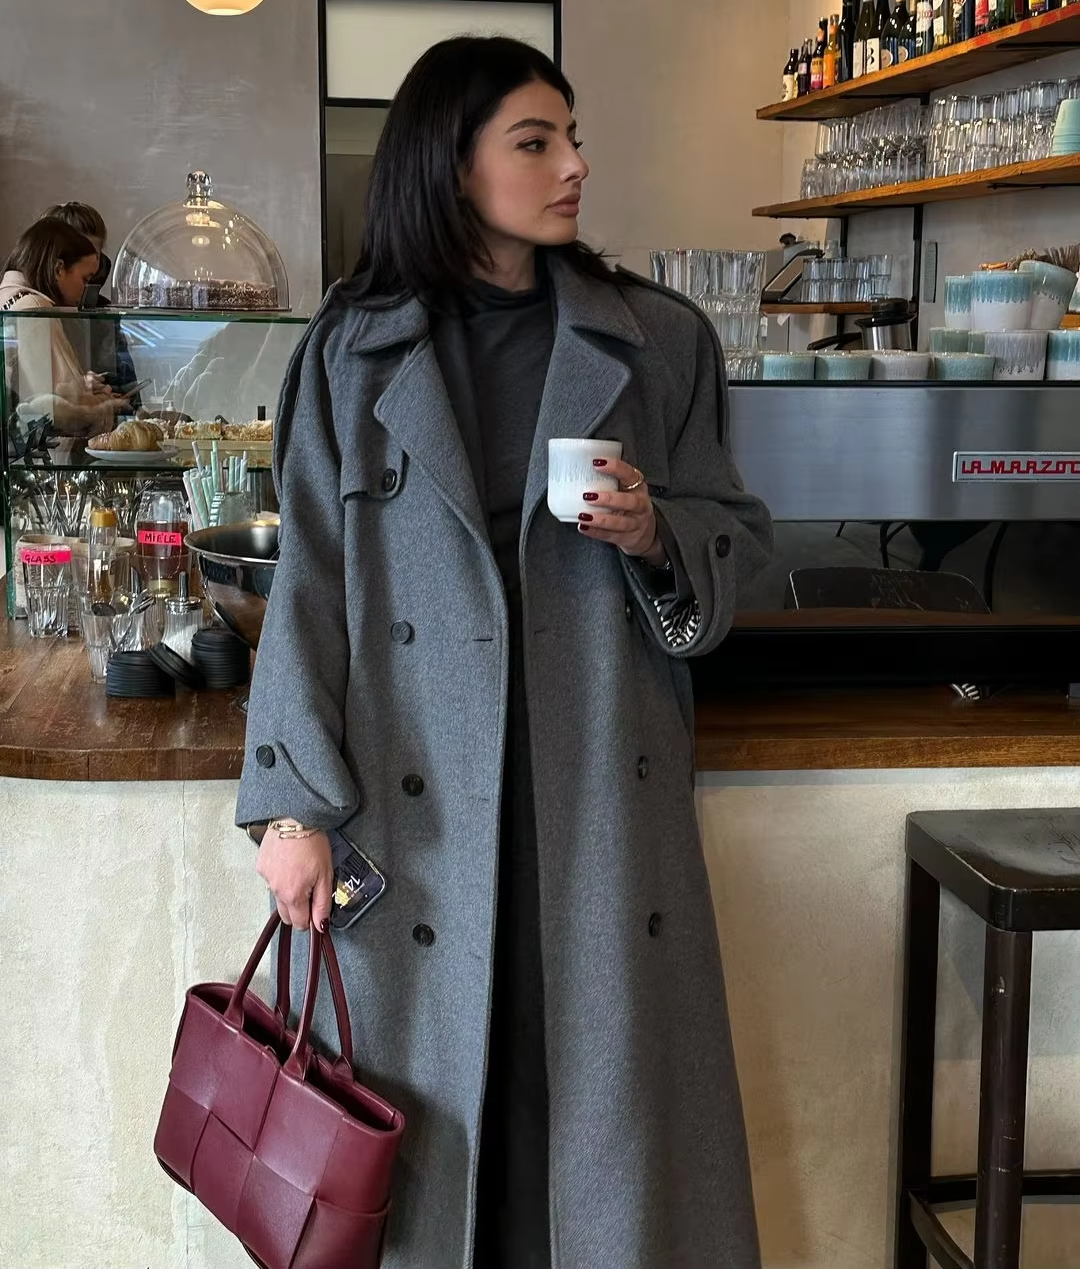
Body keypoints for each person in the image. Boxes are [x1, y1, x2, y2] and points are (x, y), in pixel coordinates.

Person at [236, 35, 773, 1270]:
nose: (575, 164)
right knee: (426, 1143)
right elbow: (310, 581)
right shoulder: (348, 350)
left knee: (591, 1141)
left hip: (597, 804)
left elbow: (744, 547)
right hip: (413, 804)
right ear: (449, 164)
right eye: (536, 141)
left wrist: (657, 534)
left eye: (572, 137)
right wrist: (291, 807)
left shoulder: (657, 340)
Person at [0, 217, 129, 440]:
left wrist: (83, 386)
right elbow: (54, 408)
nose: (87, 290)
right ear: (59, 268)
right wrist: (104, 406)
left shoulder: (8, 296)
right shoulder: (34, 307)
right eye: (85, 279)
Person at [39, 201, 142, 405]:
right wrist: (78, 387)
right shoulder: (34, 309)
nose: (91, 269)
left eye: (94, 256)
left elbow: (127, 392)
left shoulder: (102, 315)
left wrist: (110, 393)